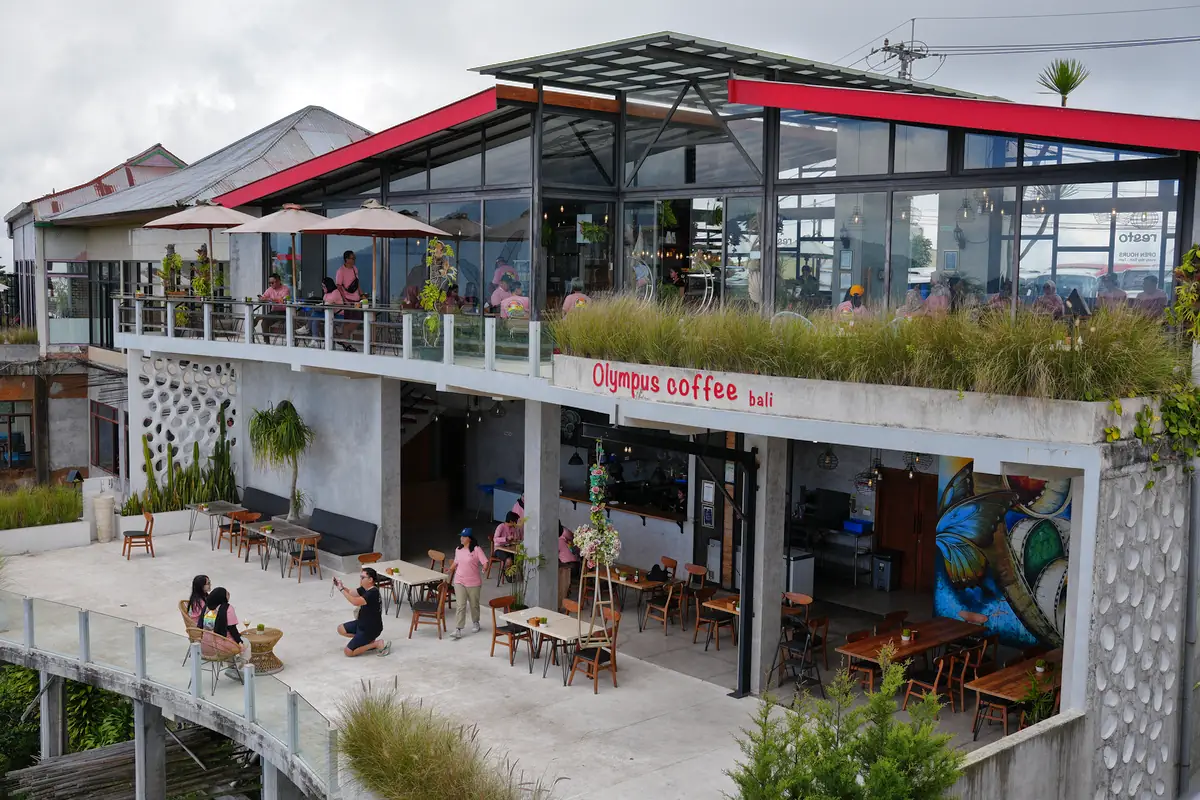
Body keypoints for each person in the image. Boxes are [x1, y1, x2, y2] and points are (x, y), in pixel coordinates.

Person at [335, 568, 390, 657]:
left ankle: (376, 644)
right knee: (340, 628)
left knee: (348, 652)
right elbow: (351, 592)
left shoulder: (373, 593)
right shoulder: (365, 589)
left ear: (370, 580)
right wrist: (341, 586)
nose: (360, 580)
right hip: (361, 624)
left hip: (370, 629)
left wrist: (341, 590)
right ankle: (367, 641)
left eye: (362, 577)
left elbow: (355, 602)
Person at [447, 529, 489, 639]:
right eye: (461, 536)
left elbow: (485, 562)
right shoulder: (458, 549)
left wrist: (484, 569)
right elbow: (456, 562)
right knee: (461, 605)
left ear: (469, 538)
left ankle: (476, 622)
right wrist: (450, 569)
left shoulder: (476, 549)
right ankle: (458, 629)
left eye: (464, 537)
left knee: (474, 604)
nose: (461, 538)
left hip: (473, 582)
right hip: (459, 580)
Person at [200, 587, 248, 681]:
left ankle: (232, 668)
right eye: (227, 593)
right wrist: (240, 642)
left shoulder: (206, 607)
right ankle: (242, 668)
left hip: (204, 646)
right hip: (219, 647)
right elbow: (232, 629)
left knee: (230, 642)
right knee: (245, 643)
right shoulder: (227, 609)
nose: (229, 594)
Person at [258, 273, 291, 342]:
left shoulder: (285, 289)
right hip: (274, 312)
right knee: (264, 323)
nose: (271, 284)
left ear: (279, 281)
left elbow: (282, 300)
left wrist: (268, 299)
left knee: (262, 318)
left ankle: (258, 318)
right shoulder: (270, 289)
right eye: (269, 283)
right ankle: (267, 342)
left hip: (284, 312)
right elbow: (263, 297)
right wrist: (261, 298)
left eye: (272, 283)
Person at [557, 523, 580, 614]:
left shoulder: (558, 541)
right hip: (576, 566)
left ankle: (561, 597)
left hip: (569, 567)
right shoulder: (567, 540)